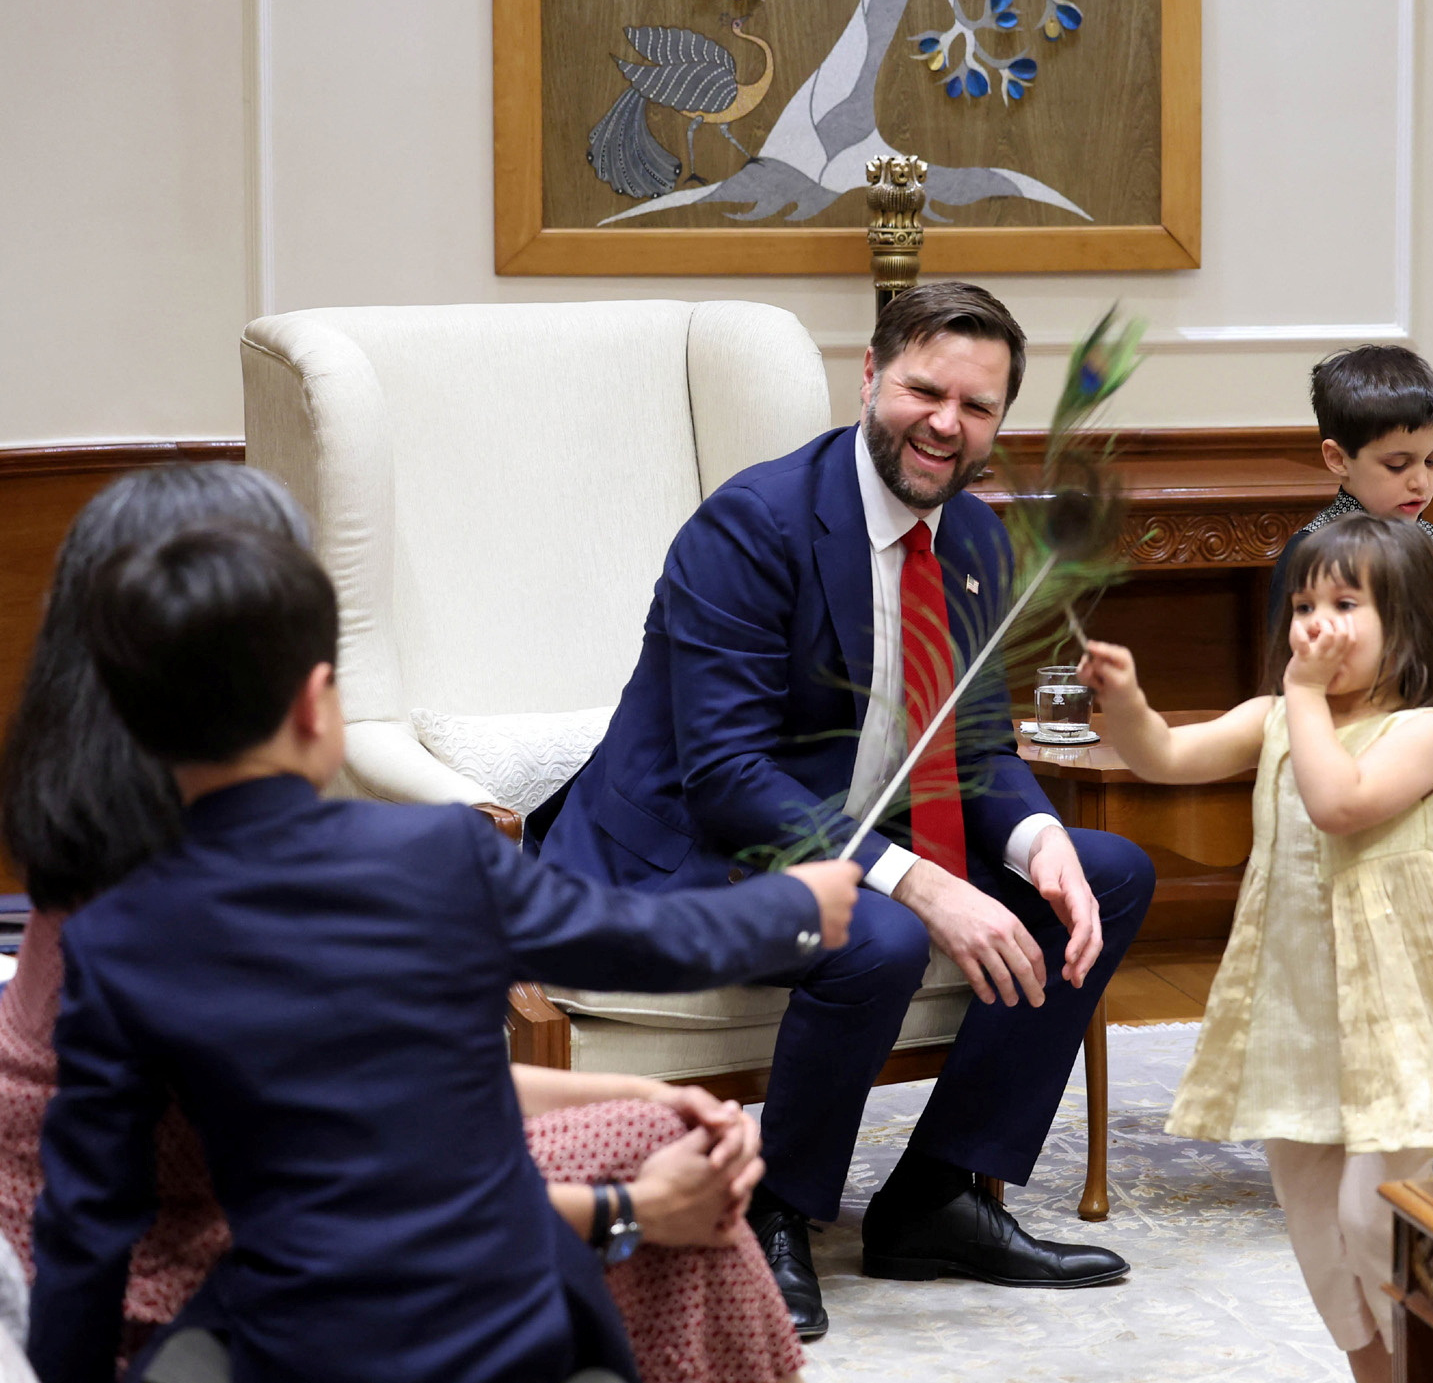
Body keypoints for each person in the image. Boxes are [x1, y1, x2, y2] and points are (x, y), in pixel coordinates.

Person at [0, 467, 812, 1383]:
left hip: (264, 1198)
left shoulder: (140, 841)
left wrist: (639, 1094)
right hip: (191, 1257)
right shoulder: (151, 904)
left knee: (664, 1134)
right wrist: (624, 1209)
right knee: (665, 1179)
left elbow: (385, 1075)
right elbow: (352, 1184)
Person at [535, 281, 1155, 1338]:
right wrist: (921, 884)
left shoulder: (974, 543)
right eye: (923, 389)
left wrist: (1039, 839)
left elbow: (974, 744)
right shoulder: (753, 525)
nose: (945, 424)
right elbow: (729, 778)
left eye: (978, 406)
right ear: (869, 378)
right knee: (870, 930)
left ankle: (934, 1199)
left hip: (843, 833)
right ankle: (773, 1208)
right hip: (686, 850)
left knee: (1106, 870)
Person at [1079, 513, 1433, 1383]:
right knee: (1311, 1220)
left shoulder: (1427, 730)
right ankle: (1373, 1373)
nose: (1314, 623)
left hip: (1398, 1006)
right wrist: (1129, 704)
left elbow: (1339, 803)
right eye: (1304, 603)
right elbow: (1167, 757)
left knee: (1373, 1213)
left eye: (1345, 602)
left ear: (1406, 624)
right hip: (1297, 1002)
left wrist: (1302, 694)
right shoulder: (1273, 716)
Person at [1269, 345, 1433, 730]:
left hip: (1425, 767)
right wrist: (1419, 671)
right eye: (1397, 464)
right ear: (1339, 459)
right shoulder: (1311, 553)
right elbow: (1291, 676)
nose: (1420, 481)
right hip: (1335, 757)